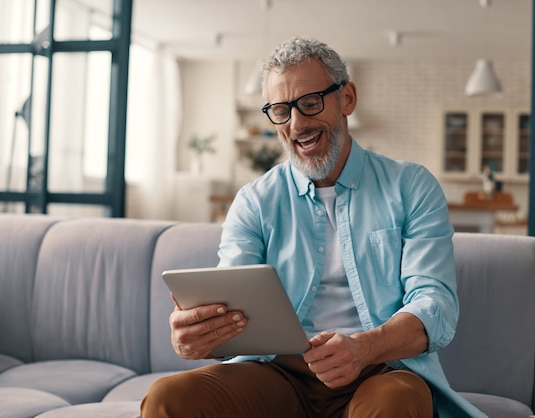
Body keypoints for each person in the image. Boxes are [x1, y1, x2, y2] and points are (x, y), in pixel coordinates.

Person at [141, 36, 487, 418]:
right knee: (167, 398)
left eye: (310, 103)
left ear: (347, 99)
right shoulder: (255, 200)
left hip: (380, 370)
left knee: (393, 404)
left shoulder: (411, 186)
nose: (297, 124)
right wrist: (200, 337)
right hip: (276, 373)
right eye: (280, 110)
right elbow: (232, 304)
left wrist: (362, 348)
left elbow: (435, 307)